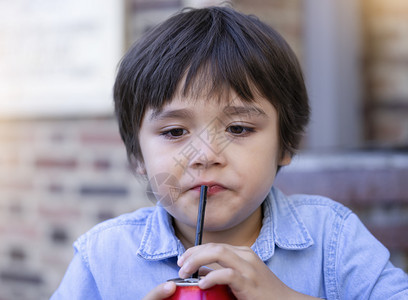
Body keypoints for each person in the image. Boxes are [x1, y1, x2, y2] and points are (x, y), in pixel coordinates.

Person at [51, 6, 408, 300]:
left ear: (286, 144)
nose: (205, 155)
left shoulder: (333, 236)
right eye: (175, 132)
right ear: (138, 158)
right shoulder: (103, 257)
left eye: (238, 129)